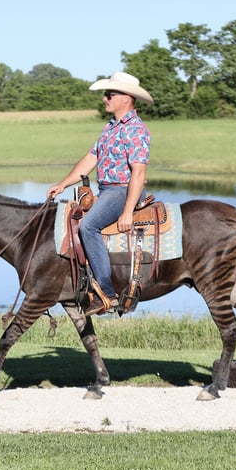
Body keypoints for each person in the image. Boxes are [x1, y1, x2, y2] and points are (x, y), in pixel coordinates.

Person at [47, 71, 153, 316]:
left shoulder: (136, 130)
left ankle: (106, 293)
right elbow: (90, 159)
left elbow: (137, 173)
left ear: (126, 98)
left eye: (109, 94)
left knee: (88, 226)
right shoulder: (109, 127)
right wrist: (62, 184)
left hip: (123, 190)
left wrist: (127, 211)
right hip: (107, 190)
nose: (105, 98)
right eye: (106, 94)